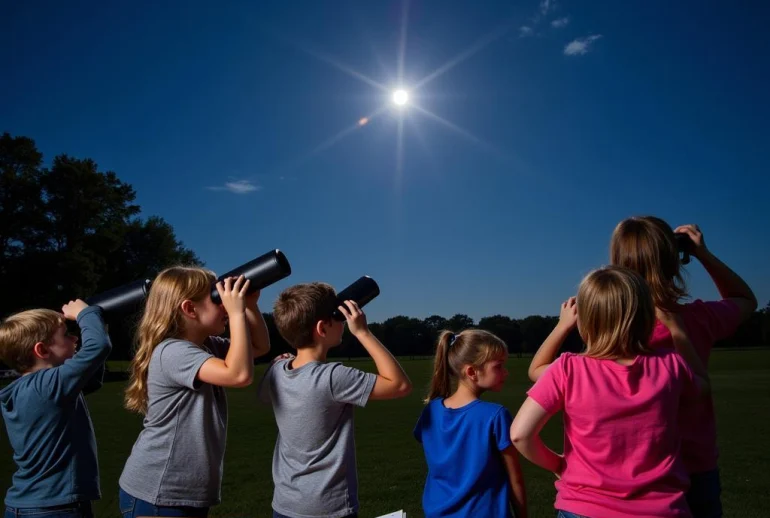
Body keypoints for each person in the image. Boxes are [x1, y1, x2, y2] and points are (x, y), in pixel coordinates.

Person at [511, 266, 708, 517]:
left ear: (585, 320)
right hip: (662, 509)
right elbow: (702, 385)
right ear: (646, 316)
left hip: (583, 507)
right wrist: (678, 331)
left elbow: (519, 435)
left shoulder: (568, 368)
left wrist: (558, 464)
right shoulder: (671, 364)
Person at [118, 268, 269, 518]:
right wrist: (236, 313)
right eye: (217, 299)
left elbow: (259, 346)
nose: (225, 304)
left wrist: (249, 306)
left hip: (182, 492)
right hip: (159, 493)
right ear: (190, 309)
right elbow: (239, 374)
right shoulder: (172, 352)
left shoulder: (207, 346)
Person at [258, 282, 412, 518]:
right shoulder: (333, 377)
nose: (342, 321)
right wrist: (363, 332)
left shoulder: (277, 370)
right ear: (322, 328)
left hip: (285, 504)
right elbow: (400, 385)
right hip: (328, 508)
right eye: (337, 316)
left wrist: (279, 362)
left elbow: (264, 395)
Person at [0, 299, 112, 518]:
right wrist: (86, 314)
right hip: (55, 507)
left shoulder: (26, 390)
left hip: (26, 504)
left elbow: (92, 377)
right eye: (65, 335)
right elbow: (98, 346)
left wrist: (99, 323)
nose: (75, 336)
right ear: (41, 350)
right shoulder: (48, 386)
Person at [414, 329, 527, 518]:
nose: (506, 373)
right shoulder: (495, 416)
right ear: (472, 372)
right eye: (498, 366)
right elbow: (515, 480)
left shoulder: (431, 411)